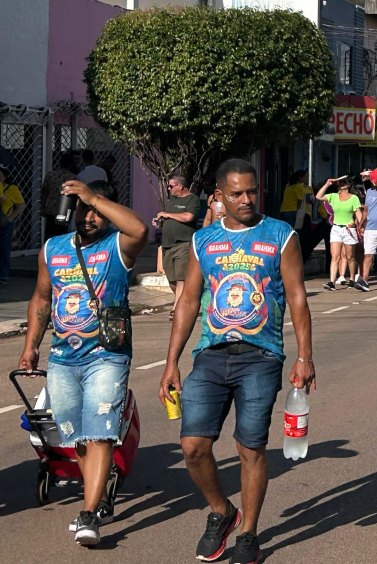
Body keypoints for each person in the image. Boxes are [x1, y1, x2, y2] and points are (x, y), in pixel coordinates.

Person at [159, 159, 315, 564]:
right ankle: (222, 512)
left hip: (261, 357)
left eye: (251, 191)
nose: (246, 200)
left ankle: (248, 533)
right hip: (210, 355)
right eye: (236, 194)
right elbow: (189, 300)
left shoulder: (281, 236)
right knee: (193, 446)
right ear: (219, 196)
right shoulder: (204, 240)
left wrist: (305, 355)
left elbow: (297, 295)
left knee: (251, 448)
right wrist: (171, 361)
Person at [18, 179, 149, 546]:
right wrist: (31, 346)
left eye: (96, 210)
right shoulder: (53, 248)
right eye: (82, 209)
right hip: (63, 357)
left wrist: (94, 197)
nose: (89, 216)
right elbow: (42, 298)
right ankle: (96, 494)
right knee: (76, 437)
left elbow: (139, 228)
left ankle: (89, 512)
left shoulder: (117, 246)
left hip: (106, 355)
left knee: (101, 432)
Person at [155, 173, 206, 321]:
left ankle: (176, 309)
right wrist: (161, 220)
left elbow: (188, 217)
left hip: (183, 244)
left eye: (171, 186)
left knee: (181, 278)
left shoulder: (192, 200)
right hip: (167, 245)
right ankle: (185, 300)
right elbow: (171, 216)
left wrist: (167, 214)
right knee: (172, 279)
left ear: (180, 186)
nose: (169, 189)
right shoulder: (172, 201)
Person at [316, 177, 362, 290]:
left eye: (344, 182)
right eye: (340, 182)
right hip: (336, 228)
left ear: (349, 185)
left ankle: (351, 279)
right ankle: (332, 282)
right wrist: (327, 184)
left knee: (350, 256)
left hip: (349, 229)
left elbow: (359, 214)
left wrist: (359, 226)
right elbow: (318, 196)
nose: (342, 184)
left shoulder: (354, 198)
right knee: (335, 256)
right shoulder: (333, 196)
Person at [40, 153, 81, 242]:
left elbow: (44, 192)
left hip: (51, 209)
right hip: (65, 210)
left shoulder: (50, 175)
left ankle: (48, 250)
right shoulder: (73, 177)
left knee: (49, 234)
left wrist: (43, 207)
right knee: (63, 235)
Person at [0, 165, 28, 284]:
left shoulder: (12, 189)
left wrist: (11, 217)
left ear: (5, 176)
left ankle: (3, 276)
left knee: (3, 249)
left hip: (5, 222)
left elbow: (22, 205)